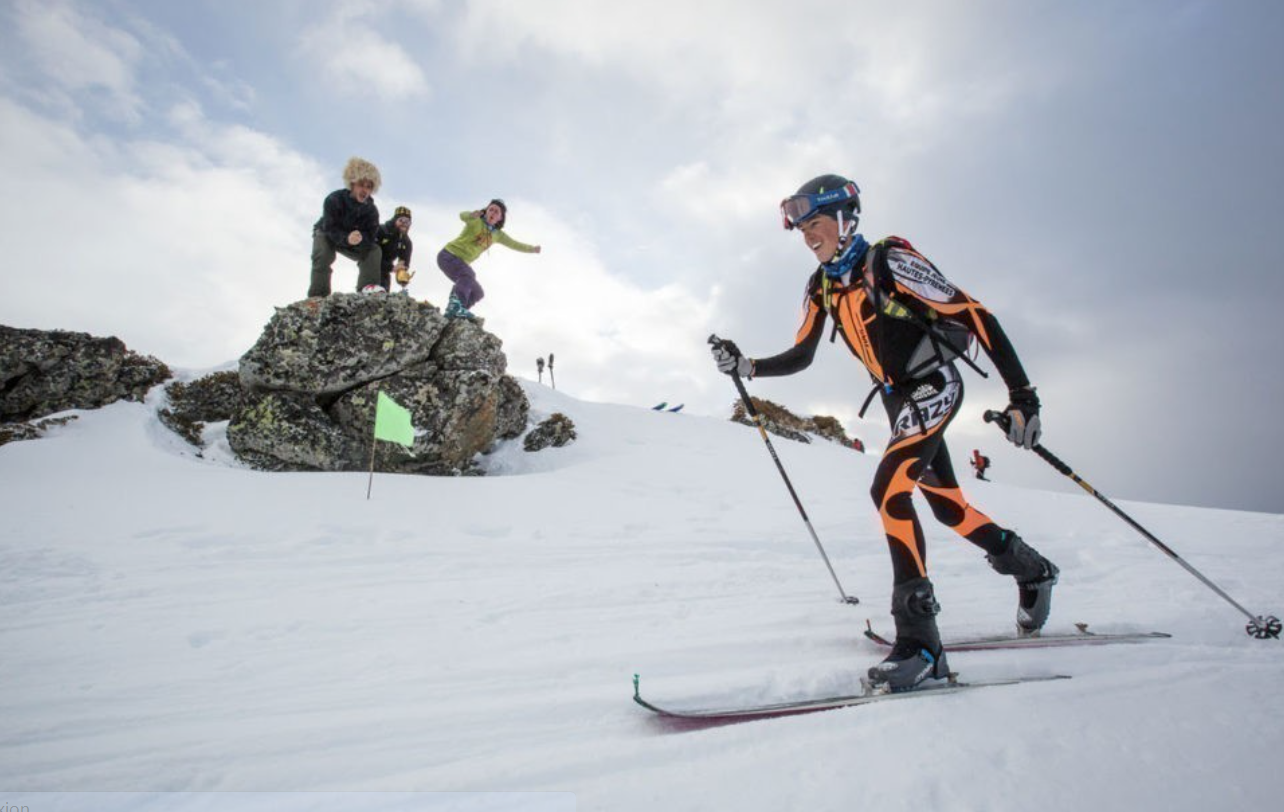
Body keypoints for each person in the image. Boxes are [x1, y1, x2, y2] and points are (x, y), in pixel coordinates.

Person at [710, 174, 1058, 693]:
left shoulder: (890, 261)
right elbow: (802, 354)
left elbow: (974, 315)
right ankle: (1031, 569)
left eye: (817, 222)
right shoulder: (822, 285)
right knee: (947, 508)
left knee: (889, 490)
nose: (808, 235)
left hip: (934, 386)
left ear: (846, 219)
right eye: (802, 227)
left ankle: (921, 641)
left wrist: (1023, 398)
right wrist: (747, 366)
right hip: (900, 401)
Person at [436, 199, 541, 319]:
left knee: (477, 293)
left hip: (460, 263)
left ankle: (457, 314)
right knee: (468, 274)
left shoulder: (497, 235)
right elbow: (462, 215)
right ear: (486, 211)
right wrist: (471, 215)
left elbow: (514, 244)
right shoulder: (476, 221)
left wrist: (532, 249)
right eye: (491, 209)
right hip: (448, 255)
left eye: (496, 212)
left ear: (500, 218)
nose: (492, 213)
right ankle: (454, 306)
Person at [309, 157, 384, 297]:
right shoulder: (334, 199)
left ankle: (368, 290)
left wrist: (361, 240)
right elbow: (329, 227)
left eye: (369, 187)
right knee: (323, 253)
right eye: (361, 185)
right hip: (327, 233)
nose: (365, 190)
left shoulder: (372, 211)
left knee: (374, 250)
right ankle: (318, 295)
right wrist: (346, 238)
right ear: (352, 183)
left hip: (353, 241)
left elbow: (371, 235)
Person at [375, 205, 415, 292]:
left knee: (383, 295)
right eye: (401, 220)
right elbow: (369, 254)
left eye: (407, 221)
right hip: (371, 267)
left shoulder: (406, 242)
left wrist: (402, 274)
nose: (404, 223)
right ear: (394, 220)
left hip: (385, 271)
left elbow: (404, 262)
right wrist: (391, 267)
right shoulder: (381, 230)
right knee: (369, 293)